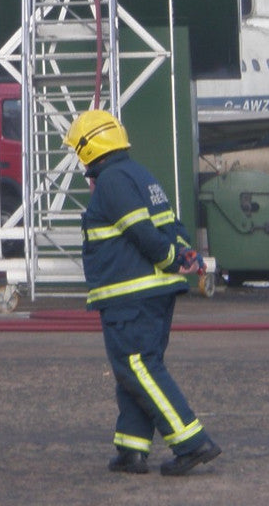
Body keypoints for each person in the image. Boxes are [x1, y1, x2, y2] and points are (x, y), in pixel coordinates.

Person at [65, 109, 221, 477]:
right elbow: (172, 225)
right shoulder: (138, 174)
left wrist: (169, 258)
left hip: (130, 295)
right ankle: (132, 449)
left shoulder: (113, 182)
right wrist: (182, 253)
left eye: (77, 150)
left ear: (89, 148)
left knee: (138, 366)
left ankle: (191, 442)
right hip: (151, 294)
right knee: (133, 369)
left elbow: (143, 233)